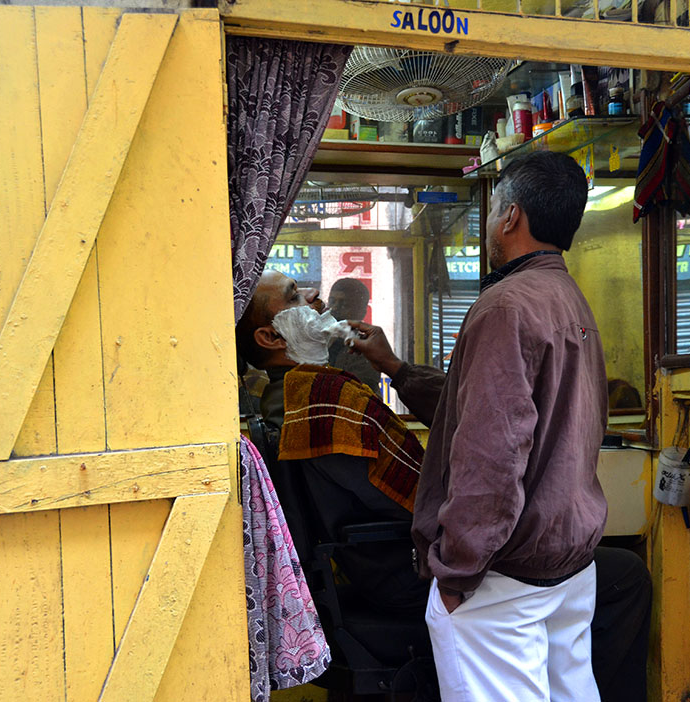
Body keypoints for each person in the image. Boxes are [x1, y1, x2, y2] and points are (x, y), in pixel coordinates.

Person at [350, 150, 616, 701]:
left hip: (504, 576)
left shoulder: (505, 306)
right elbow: (478, 408)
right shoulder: (567, 297)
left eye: (495, 207)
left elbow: (492, 451)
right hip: (567, 563)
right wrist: (396, 369)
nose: (492, 222)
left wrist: (458, 570)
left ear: (511, 216)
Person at [236, 269, 428, 615]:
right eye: (295, 296)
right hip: (401, 569)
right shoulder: (320, 400)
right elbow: (412, 501)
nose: (317, 299)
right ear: (271, 336)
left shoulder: (296, 395)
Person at [326, 278, 383, 393]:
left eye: (345, 304)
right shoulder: (316, 338)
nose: (335, 308)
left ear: (362, 312)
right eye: (332, 302)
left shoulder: (366, 350)